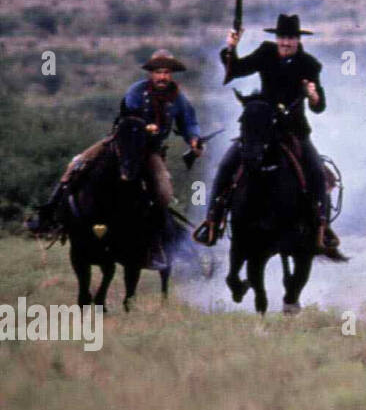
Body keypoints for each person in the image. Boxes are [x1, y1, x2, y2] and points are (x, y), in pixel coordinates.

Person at [193, 13, 342, 258]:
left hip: (294, 130)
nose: (285, 42)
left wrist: (312, 94)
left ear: (297, 40)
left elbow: (319, 105)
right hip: (261, 128)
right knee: (227, 164)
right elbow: (236, 70)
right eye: (282, 37)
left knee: (316, 171)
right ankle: (211, 221)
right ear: (277, 38)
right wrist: (231, 46)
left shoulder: (310, 65)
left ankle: (322, 227)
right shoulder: (265, 53)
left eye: (290, 38)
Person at [28, 49, 201, 246]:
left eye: (167, 72)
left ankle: (160, 235)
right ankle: (48, 216)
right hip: (121, 142)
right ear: (151, 73)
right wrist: (144, 126)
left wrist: (194, 140)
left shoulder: (178, 98)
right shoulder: (137, 91)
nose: (163, 76)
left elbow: (189, 123)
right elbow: (129, 115)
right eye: (158, 71)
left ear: (171, 74)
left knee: (164, 192)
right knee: (76, 165)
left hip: (150, 151)